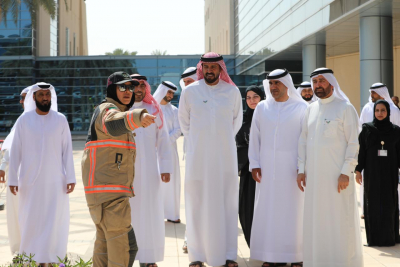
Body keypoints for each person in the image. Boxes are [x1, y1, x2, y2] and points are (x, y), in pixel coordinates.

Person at [81, 72, 155, 266]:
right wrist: (138, 116)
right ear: (112, 90)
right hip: (109, 196)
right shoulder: (108, 109)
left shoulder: (110, 109)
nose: (128, 91)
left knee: (105, 247)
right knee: (123, 249)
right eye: (122, 87)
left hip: (104, 194)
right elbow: (112, 124)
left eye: (131, 88)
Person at [178, 52, 243, 267]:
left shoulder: (232, 91)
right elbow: (184, 124)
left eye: (214, 67)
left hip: (225, 158)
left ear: (220, 69)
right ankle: (196, 255)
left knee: (226, 202)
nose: (209, 71)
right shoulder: (190, 92)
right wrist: (202, 142)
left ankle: (228, 255)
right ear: (201, 68)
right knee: (197, 203)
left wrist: (219, 141)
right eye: (206, 67)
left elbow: (236, 123)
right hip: (199, 159)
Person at [297, 68, 363, 267]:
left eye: (321, 81)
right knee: (317, 222)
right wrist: (301, 169)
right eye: (315, 81)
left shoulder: (345, 108)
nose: (317, 85)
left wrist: (346, 172)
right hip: (314, 179)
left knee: (339, 222)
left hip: (338, 179)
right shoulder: (310, 109)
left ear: (331, 83)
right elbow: (303, 140)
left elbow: (353, 143)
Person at [8, 82, 76, 264]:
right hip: (29, 182)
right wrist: (12, 178)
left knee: (54, 221)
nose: (45, 97)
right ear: (34, 97)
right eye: (41, 95)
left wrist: (70, 176)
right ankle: (31, 259)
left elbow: (67, 150)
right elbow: (16, 151)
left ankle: (52, 258)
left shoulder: (60, 119)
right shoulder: (24, 120)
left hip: (56, 182)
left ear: (51, 97)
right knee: (31, 221)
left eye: (47, 94)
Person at [249, 69, 307, 267]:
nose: (273, 87)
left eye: (277, 83)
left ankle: (296, 256)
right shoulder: (262, 107)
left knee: (293, 212)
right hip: (267, 171)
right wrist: (254, 163)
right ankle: (272, 257)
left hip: (292, 172)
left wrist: (302, 168)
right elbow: (254, 138)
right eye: (271, 83)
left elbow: (305, 141)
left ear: (286, 84)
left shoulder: (301, 108)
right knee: (269, 212)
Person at [129, 74, 172, 267]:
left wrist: (165, 167)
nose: (138, 89)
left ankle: (148, 258)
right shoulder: (120, 110)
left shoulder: (154, 109)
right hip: (125, 174)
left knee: (150, 214)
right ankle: (127, 256)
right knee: (128, 215)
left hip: (148, 172)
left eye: (141, 86)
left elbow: (163, 140)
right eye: (134, 86)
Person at [355, 100, 400, 246]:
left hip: (390, 172)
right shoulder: (367, 130)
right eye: (377, 111)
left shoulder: (395, 131)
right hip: (372, 173)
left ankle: (389, 237)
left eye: (383, 111)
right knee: (372, 204)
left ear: (388, 113)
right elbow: (362, 152)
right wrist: (358, 170)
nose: (380, 113)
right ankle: (373, 239)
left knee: (389, 204)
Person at [359, 83, 400, 218]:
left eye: (374, 93)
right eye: (371, 93)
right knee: (370, 185)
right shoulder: (366, 108)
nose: (371, 96)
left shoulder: (393, 109)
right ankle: (368, 211)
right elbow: (361, 129)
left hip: (390, 155)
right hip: (371, 156)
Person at [0, 86, 30, 255]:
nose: (20, 101)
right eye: (20, 97)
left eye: (24, 97)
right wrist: (3, 168)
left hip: (30, 177)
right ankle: (21, 253)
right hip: (18, 175)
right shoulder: (23, 119)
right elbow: (10, 148)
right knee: (17, 215)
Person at [236, 85, 264, 248]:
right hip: (249, 172)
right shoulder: (242, 119)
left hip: (268, 171)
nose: (252, 101)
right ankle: (254, 244)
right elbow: (239, 144)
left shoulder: (269, 117)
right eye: (248, 98)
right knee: (247, 206)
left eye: (255, 97)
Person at [153, 81, 182, 223]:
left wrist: (164, 141)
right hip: (154, 152)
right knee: (156, 183)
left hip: (170, 151)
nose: (170, 95)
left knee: (172, 183)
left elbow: (178, 130)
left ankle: (172, 215)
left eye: (172, 93)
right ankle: (156, 214)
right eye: (168, 92)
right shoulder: (152, 109)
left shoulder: (175, 110)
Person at [179, 67, 198, 254]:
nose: (187, 86)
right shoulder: (186, 98)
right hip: (193, 155)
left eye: (190, 82)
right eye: (184, 83)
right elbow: (183, 125)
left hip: (212, 156)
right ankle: (189, 239)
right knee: (192, 198)